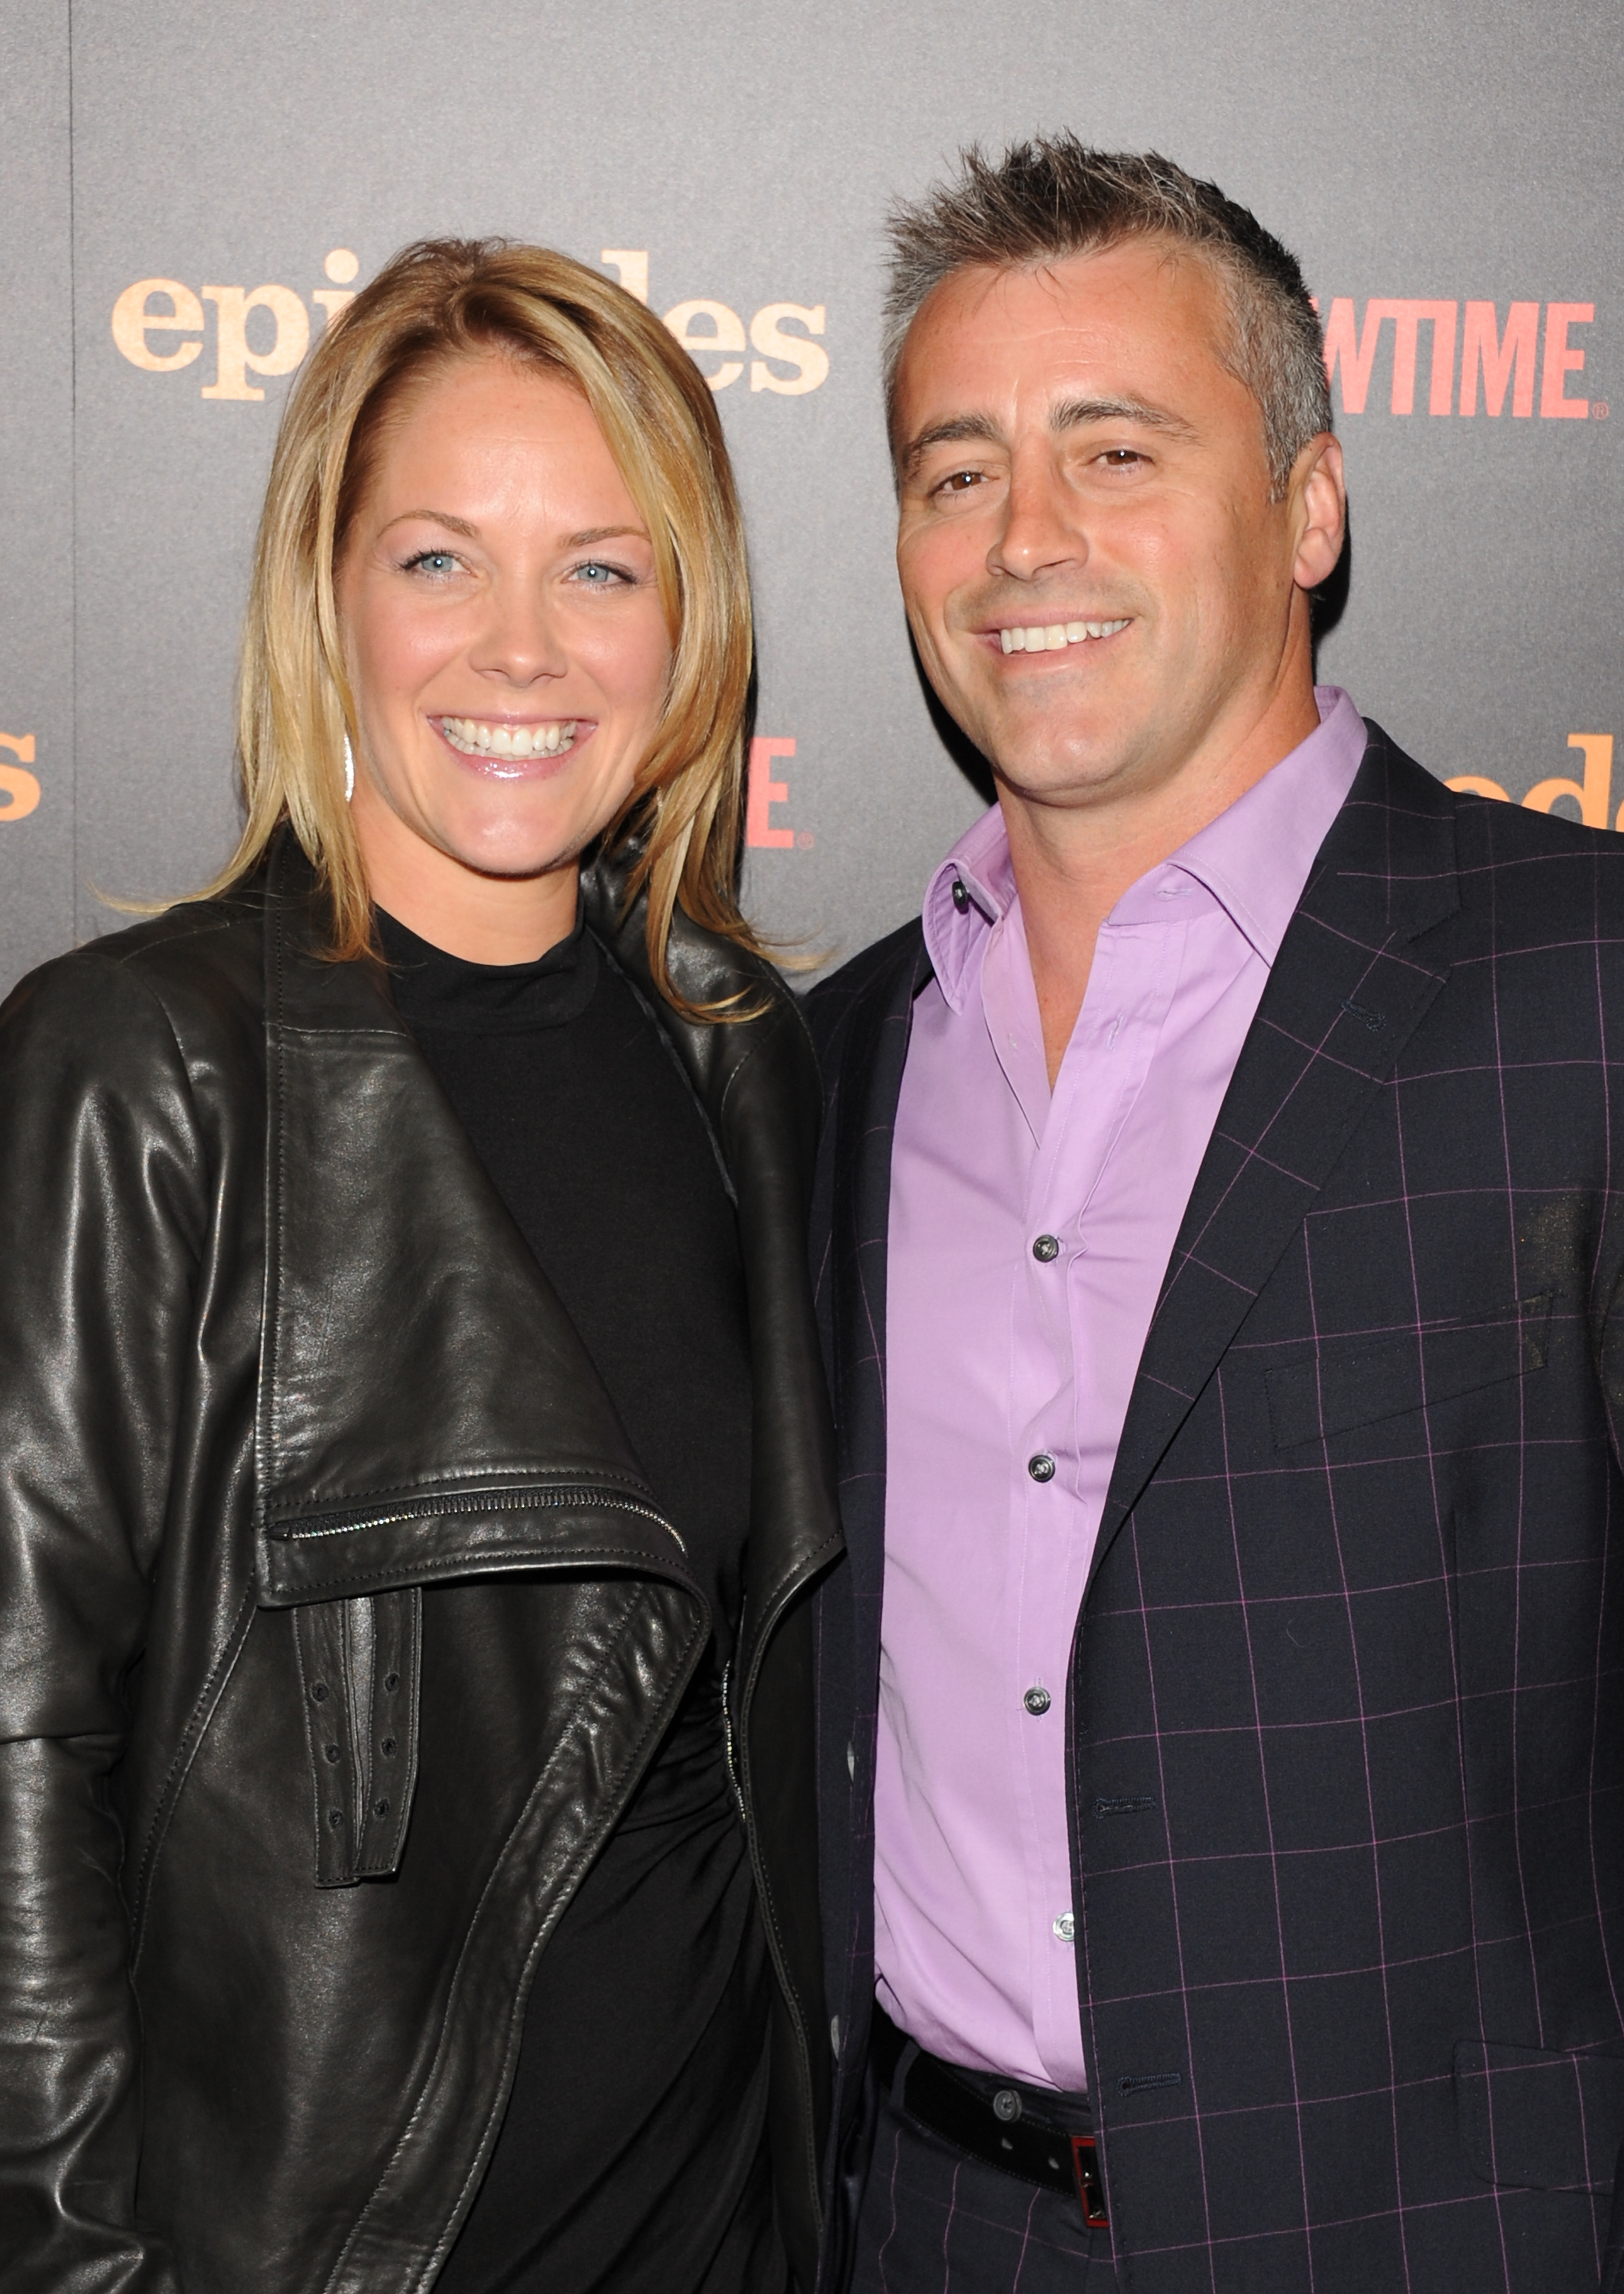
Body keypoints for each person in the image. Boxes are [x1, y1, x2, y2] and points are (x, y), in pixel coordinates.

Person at [807, 138, 1624, 2294]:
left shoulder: (1581, 983)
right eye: (953, 469)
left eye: (1114, 448)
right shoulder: (820, 1070)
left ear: (1312, 503)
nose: (1022, 541)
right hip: (919, 2232)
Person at [0, 237, 841, 2294]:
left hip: (723, 2224)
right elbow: (22, 1749)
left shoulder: (746, 1061)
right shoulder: (141, 1065)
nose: (521, 648)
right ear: (326, 593)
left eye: (603, 568)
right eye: (439, 560)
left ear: (689, 617)